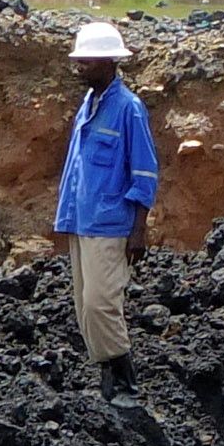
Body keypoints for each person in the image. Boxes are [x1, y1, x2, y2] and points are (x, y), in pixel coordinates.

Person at [54, 20, 160, 404]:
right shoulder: (88, 106)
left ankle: (126, 379)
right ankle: (108, 382)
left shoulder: (129, 110)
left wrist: (138, 229)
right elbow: (77, 169)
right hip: (82, 222)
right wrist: (65, 219)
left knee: (101, 303)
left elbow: (145, 171)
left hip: (111, 224)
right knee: (84, 305)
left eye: (86, 59)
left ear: (108, 61)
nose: (78, 65)